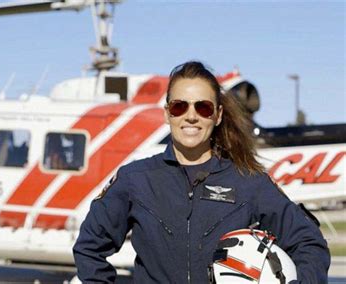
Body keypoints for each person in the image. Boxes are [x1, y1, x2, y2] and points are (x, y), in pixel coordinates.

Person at [73, 61, 330, 283]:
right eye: (179, 106)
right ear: (167, 114)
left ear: (217, 115)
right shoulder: (136, 179)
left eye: (203, 107)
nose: (191, 116)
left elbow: (309, 243)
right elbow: (89, 248)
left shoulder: (248, 181)